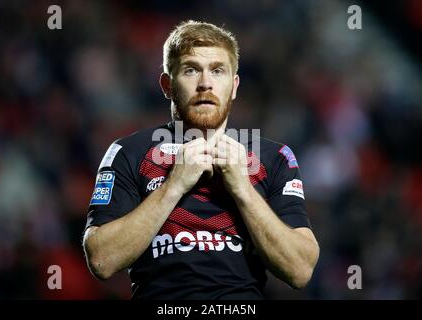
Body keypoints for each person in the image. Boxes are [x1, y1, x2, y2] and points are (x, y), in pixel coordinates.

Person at [82, 20, 319, 300]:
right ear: (167, 85)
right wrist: (173, 186)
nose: (205, 83)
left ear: (234, 86)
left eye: (218, 71)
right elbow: (101, 260)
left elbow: (300, 270)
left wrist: (243, 189)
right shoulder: (128, 152)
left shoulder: (274, 157)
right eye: (191, 70)